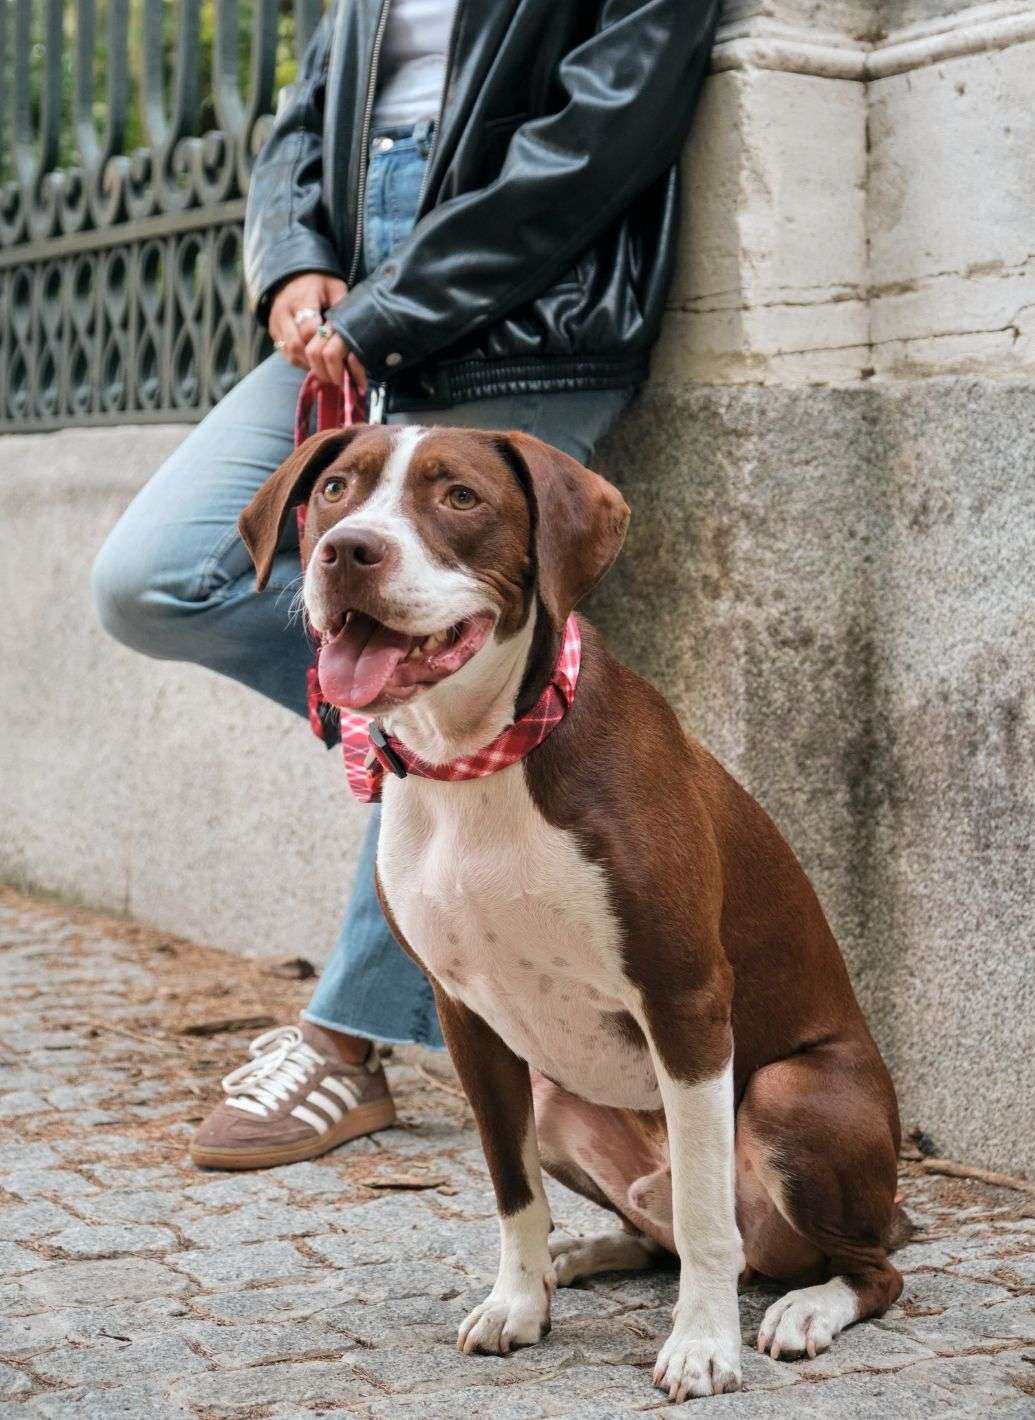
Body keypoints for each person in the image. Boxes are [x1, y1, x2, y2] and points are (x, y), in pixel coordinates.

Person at [92, 0, 721, 1169]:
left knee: (450, 674)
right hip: (350, 308)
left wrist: (391, 309)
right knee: (155, 576)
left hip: (528, 313)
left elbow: (605, 131)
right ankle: (431, 736)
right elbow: (300, 119)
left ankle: (344, 1042)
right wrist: (295, 262)